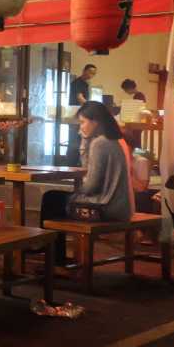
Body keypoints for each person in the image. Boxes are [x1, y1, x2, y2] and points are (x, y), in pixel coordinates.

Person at [40, 101, 133, 263]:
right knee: (56, 199)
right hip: (121, 207)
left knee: (51, 198)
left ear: (95, 121)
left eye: (82, 122)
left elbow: (92, 186)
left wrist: (77, 192)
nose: (80, 128)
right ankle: (54, 253)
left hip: (105, 207)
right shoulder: (116, 141)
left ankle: (52, 254)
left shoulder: (99, 143)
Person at [67, 64, 97, 165]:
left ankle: (77, 164)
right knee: (74, 140)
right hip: (76, 115)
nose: (91, 75)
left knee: (79, 140)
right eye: (90, 72)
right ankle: (71, 164)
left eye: (93, 73)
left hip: (80, 115)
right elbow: (80, 98)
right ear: (84, 70)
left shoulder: (85, 84)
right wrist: (91, 106)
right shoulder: (78, 82)